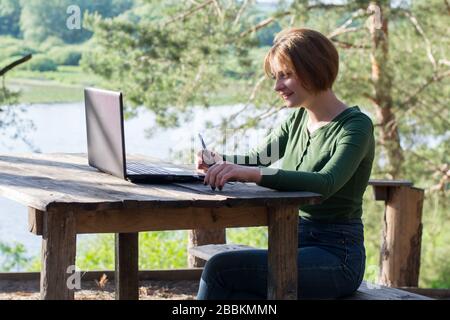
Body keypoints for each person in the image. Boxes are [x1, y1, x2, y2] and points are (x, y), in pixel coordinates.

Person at [195, 28, 375, 299]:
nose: (277, 87)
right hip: (292, 242)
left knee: (220, 269)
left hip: (337, 255)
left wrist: (250, 174)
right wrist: (218, 161)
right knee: (239, 296)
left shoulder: (355, 127)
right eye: (276, 77)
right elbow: (256, 159)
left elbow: (325, 183)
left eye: (285, 75)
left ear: (314, 69)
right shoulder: (297, 120)